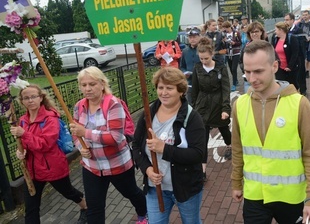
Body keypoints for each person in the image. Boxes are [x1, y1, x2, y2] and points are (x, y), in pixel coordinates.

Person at [231, 40, 310, 224]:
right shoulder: (240, 104)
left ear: (275, 66)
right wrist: (236, 182)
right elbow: (237, 148)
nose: (251, 79)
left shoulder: (298, 103)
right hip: (255, 195)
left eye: (258, 71)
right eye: (247, 71)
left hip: (291, 197)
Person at [69, 67, 147, 224]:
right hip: (92, 167)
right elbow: (75, 132)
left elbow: (116, 137)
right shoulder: (79, 106)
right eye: (83, 85)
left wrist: (86, 132)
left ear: (102, 83)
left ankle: (143, 213)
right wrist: (80, 146)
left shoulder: (113, 104)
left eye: (92, 84)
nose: (88, 89)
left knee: (131, 193)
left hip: (116, 164)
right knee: (94, 207)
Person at [131, 67, 206, 224]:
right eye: (160, 87)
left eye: (169, 88)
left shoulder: (192, 117)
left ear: (181, 91)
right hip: (155, 188)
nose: (164, 92)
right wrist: (147, 169)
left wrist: (164, 149)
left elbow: (198, 154)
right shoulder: (148, 115)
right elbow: (136, 146)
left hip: (186, 188)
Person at [10, 84, 88, 224]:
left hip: (52, 167)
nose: (30, 100)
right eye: (26, 98)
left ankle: (85, 206)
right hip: (32, 171)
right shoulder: (22, 121)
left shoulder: (50, 119)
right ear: (21, 101)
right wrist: (21, 152)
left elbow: (45, 144)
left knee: (68, 192)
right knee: (31, 208)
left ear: (41, 98)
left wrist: (24, 134)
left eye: (34, 96)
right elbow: (25, 144)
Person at [191, 37, 232, 181]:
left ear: (212, 54)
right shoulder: (197, 68)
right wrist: (192, 109)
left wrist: (225, 108)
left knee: (223, 129)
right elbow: (194, 90)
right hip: (202, 106)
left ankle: (229, 145)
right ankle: (202, 171)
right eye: (201, 59)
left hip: (218, 103)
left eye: (206, 58)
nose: (203, 61)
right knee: (202, 137)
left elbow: (225, 89)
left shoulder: (220, 67)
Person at [271, 21, 300, 89]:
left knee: (292, 85)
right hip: (279, 68)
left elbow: (295, 53)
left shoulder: (292, 38)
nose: (275, 32)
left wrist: (290, 66)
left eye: (276, 30)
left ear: (281, 30)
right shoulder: (275, 39)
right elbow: (273, 51)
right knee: (281, 85)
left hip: (290, 68)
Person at [285, 12, 307, 96]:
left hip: (299, 56)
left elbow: (302, 44)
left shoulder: (298, 30)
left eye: (287, 20)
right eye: (285, 20)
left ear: (292, 20)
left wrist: (301, 56)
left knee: (301, 73)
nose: (285, 21)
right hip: (290, 56)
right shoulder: (286, 31)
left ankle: (303, 90)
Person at [180, 26, 202, 104]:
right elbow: (182, 66)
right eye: (190, 37)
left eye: (194, 37)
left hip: (202, 83)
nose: (192, 39)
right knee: (191, 104)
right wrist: (184, 72)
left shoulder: (203, 49)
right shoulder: (185, 51)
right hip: (190, 83)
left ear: (199, 37)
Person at [221, 21, 242, 91]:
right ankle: (236, 80)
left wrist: (234, 43)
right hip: (228, 53)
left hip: (236, 53)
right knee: (230, 69)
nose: (225, 29)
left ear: (229, 27)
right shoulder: (224, 34)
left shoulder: (236, 33)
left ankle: (234, 84)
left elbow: (240, 43)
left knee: (234, 68)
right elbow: (223, 45)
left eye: (226, 28)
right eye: (224, 28)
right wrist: (223, 42)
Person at [298, 10, 310, 78]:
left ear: (309, 15)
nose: (305, 16)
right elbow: (296, 31)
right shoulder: (300, 23)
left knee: (309, 58)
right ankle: (302, 70)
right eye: (303, 15)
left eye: (306, 15)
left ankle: (307, 71)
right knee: (301, 57)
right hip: (302, 43)